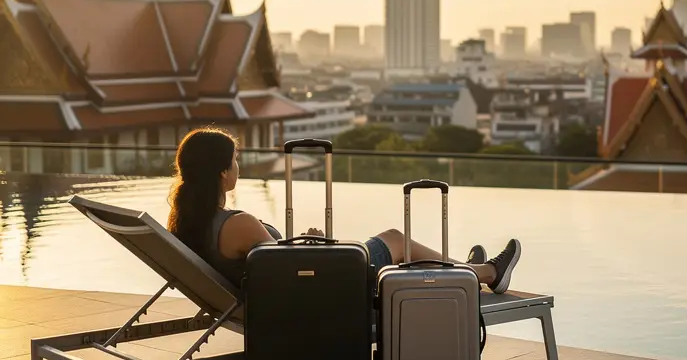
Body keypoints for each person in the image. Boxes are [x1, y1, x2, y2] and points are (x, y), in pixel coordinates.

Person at [166, 127, 522, 294]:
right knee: (395, 240)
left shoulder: (190, 222)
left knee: (397, 252)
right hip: (326, 288)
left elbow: (274, 264)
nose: (238, 167)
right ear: (222, 172)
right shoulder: (237, 224)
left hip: (307, 286)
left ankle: (463, 270)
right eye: (235, 161)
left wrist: (303, 244)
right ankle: (487, 273)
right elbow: (286, 270)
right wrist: (311, 245)